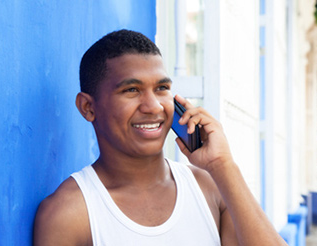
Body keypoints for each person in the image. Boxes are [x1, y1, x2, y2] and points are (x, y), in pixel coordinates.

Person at [33, 29, 287, 246]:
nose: (153, 106)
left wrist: (223, 166)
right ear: (88, 107)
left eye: (162, 88)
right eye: (132, 90)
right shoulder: (69, 213)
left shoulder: (209, 188)